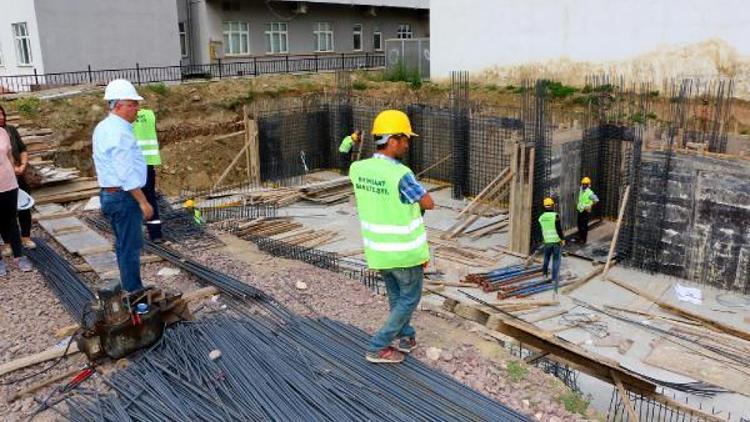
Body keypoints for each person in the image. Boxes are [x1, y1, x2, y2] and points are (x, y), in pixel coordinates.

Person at [349, 110, 434, 364]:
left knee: (397, 297)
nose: (407, 145)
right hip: (404, 252)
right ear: (392, 140)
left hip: (379, 251)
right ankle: (378, 345)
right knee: (409, 298)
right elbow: (428, 203)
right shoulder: (400, 174)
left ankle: (406, 336)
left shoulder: (358, 169)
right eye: (405, 139)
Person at [92, 80, 153, 292]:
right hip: (123, 197)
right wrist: (143, 201)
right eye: (132, 104)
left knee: (123, 244)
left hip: (111, 194)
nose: (137, 108)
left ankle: (129, 286)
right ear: (118, 105)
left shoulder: (104, 127)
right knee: (130, 246)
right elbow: (125, 172)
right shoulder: (119, 132)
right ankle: (134, 293)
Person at [0, 105, 33, 275]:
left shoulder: (4, 133)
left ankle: (19, 256)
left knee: (11, 219)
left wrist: (15, 169)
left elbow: (9, 155)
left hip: (9, 184)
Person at [132, 108, 163, 242]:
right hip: (148, 162)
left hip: (133, 162)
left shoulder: (124, 118)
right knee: (150, 197)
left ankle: (134, 234)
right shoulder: (149, 114)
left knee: (132, 198)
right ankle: (156, 235)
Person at [538, 197, 564, 297]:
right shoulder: (555, 216)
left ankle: (544, 274)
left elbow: (543, 229)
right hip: (556, 242)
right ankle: (554, 278)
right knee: (556, 260)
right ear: (552, 205)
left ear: (544, 206)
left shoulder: (541, 217)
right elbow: (558, 229)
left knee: (546, 258)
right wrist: (562, 239)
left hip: (547, 242)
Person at [576, 176, 599, 244]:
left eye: (585, 184)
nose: (584, 185)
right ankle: (580, 237)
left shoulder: (590, 193)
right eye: (583, 184)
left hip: (585, 211)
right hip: (580, 210)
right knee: (579, 225)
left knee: (584, 226)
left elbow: (596, 200)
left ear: (588, 185)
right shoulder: (581, 189)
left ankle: (583, 240)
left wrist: (589, 205)